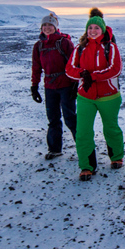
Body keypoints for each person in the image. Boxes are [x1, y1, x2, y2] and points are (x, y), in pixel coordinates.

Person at [65, 8, 124, 181]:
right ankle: (87, 166)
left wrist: (93, 76)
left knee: (111, 128)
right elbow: (69, 69)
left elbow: (115, 69)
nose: (92, 31)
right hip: (85, 96)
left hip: (109, 95)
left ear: (103, 29)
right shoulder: (80, 48)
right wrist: (83, 74)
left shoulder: (110, 47)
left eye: (96, 28)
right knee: (83, 132)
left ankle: (116, 157)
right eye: (90, 28)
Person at [31, 12, 81, 160]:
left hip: (66, 85)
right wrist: (34, 86)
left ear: (55, 27)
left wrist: (74, 84)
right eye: (44, 25)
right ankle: (54, 149)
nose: (47, 27)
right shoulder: (38, 46)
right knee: (53, 118)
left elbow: (74, 63)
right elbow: (36, 67)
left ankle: (83, 147)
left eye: (50, 25)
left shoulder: (64, 43)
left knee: (70, 118)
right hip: (49, 86)